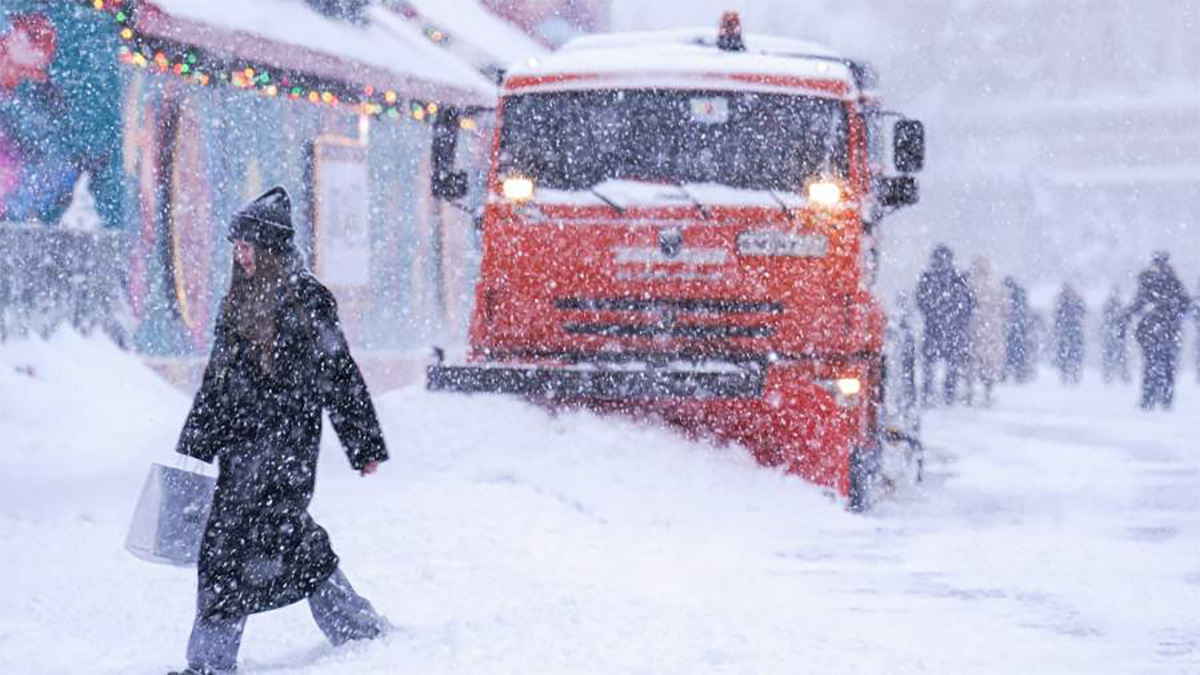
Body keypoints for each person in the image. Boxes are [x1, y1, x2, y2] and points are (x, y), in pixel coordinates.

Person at [169, 187, 389, 675]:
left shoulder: (308, 299)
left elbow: (340, 371)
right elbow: (218, 380)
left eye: (245, 245)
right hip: (241, 448)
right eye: (235, 246)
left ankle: (353, 630)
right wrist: (195, 445)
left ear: (267, 247)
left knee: (274, 539)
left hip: (287, 446)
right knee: (236, 548)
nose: (238, 254)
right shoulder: (238, 302)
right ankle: (212, 661)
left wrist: (363, 444)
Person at [1125, 252, 1193, 410]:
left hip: (1159, 331)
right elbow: (1185, 304)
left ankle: (1155, 398)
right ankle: (1159, 398)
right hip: (1162, 331)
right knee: (1159, 366)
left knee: (1157, 366)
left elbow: (1138, 304)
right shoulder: (1170, 282)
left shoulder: (1157, 282)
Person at [916, 244, 975, 406]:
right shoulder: (957, 278)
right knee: (951, 364)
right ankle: (948, 393)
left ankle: (929, 393)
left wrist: (931, 313)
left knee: (931, 363)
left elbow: (920, 300)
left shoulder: (929, 277)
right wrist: (958, 318)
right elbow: (969, 303)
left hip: (934, 328)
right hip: (951, 329)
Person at [964, 257, 1005, 406]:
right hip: (992, 328)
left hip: (972, 326)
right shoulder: (996, 284)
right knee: (989, 362)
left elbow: (963, 304)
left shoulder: (968, 283)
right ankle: (987, 393)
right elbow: (1005, 307)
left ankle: (969, 392)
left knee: (970, 359)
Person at [1002, 276, 1035, 383]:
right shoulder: (1020, 294)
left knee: (1007, 351)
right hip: (1019, 328)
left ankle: (1005, 373)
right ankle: (1019, 373)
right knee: (1019, 351)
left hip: (1009, 327)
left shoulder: (1005, 293)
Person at [1052, 283, 1086, 384]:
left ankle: (1072, 375)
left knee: (1072, 355)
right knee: (1068, 355)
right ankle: (1067, 375)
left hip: (1071, 333)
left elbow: (1083, 311)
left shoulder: (1068, 303)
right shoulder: (1065, 304)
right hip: (1068, 333)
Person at [1100, 287, 1131, 384]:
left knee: (1117, 355)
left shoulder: (1112, 307)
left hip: (1116, 335)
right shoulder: (1118, 307)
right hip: (1116, 335)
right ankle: (1118, 374)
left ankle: (1113, 374)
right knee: (1119, 355)